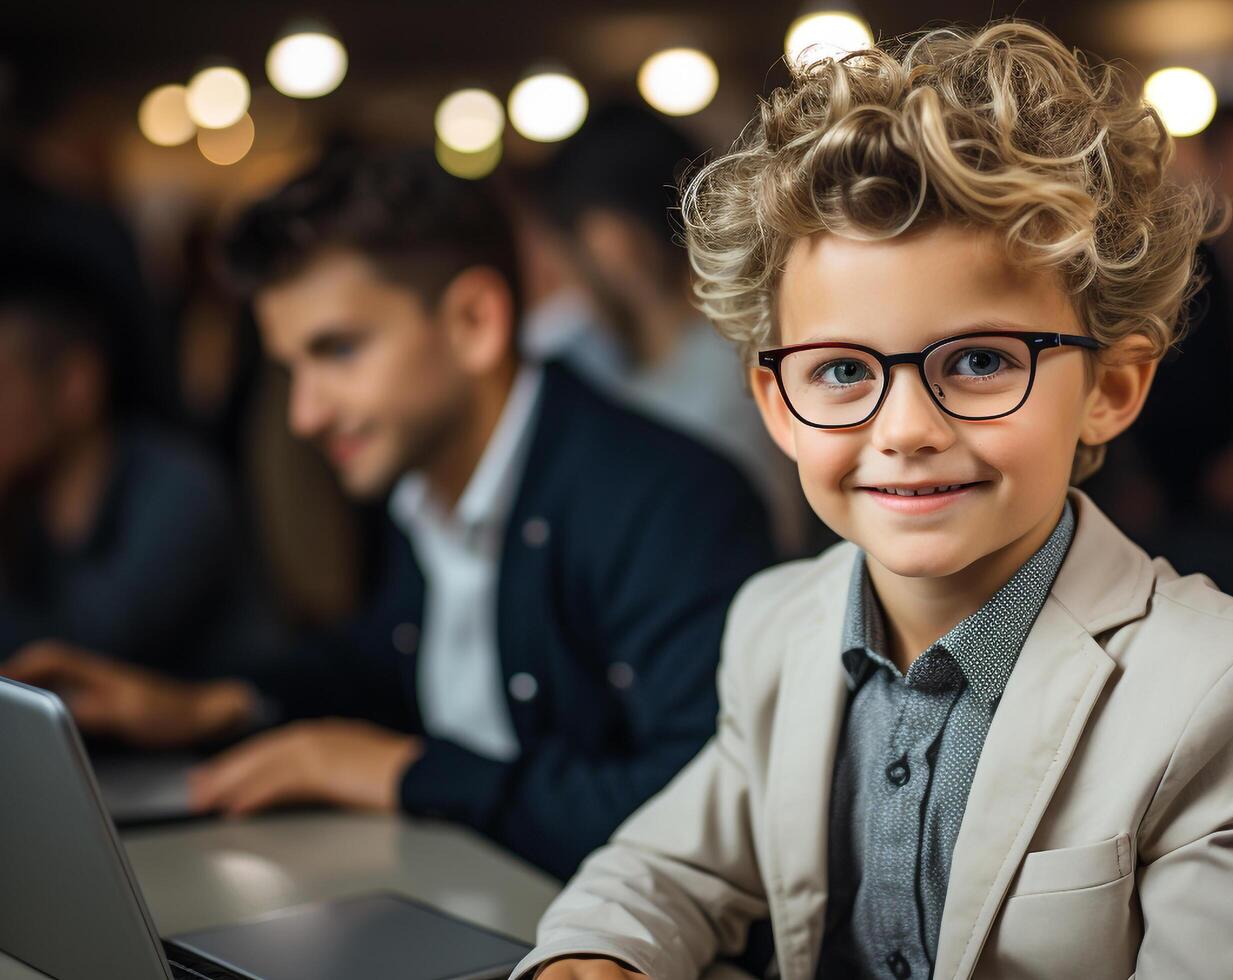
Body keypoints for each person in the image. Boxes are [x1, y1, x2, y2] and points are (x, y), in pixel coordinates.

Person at [516, 21, 1233, 980]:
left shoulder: (1223, 694)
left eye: (981, 361)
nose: (904, 430)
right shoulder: (776, 629)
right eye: (837, 372)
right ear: (774, 404)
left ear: (1110, 389)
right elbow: (661, 869)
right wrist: (596, 958)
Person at [1, 147, 775, 878]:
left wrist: (402, 773)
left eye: (337, 350)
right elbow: (383, 658)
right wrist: (211, 705)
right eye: (289, 367)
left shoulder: (669, 499)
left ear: (475, 321)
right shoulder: (423, 481)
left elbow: (703, 808)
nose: (303, 414)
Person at [516, 102, 811, 555]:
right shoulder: (595, 351)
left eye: (564, 262)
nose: (568, 288)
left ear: (611, 244)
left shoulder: (724, 380)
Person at [0, 262, 279, 679]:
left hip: (215, 733)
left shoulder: (181, 489)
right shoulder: (26, 499)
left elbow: (86, 654)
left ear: (78, 383)